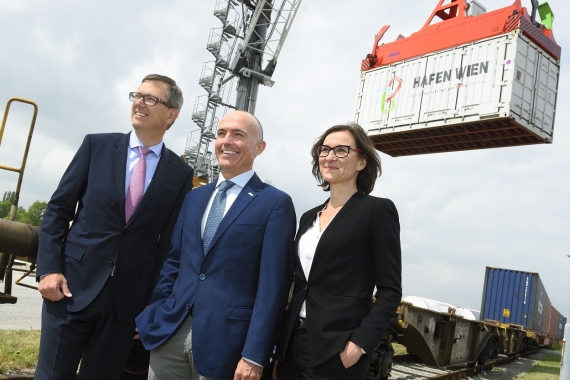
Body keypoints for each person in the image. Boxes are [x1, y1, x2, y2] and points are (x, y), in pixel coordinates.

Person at [35, 74, 194, 380]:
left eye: (151, 98)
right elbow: (58, 210)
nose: (139, 102)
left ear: (171, 114)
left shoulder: (180, 174)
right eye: (137, 95)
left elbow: (168, 247)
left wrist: (154, 305)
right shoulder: (97, 146)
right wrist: (49, 269)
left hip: (126, 307)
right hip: (70, 290)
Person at [136, 110, 297, 380]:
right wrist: (156, 312)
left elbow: (273, 287)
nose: (227, 141)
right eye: (221, 133)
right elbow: (175, 262)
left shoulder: (274, 203)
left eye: (238, 135)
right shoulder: (194, 199)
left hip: (228, 345)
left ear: (259, 147)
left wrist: (255, 354)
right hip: (170, 334)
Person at [275, 123, 402, 380]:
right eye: (324, 150)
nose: (330, 156)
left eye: (342, 150)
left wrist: (360, 344)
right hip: (291, 344)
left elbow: (390, 291)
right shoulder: (309, 216)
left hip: (337, 350)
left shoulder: (377, 212)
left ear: (361, 162)